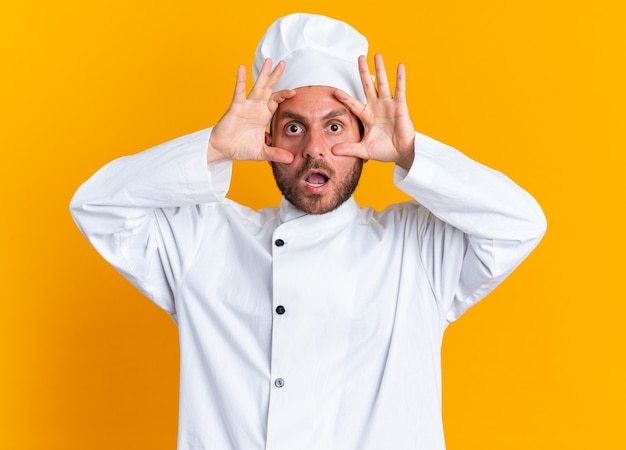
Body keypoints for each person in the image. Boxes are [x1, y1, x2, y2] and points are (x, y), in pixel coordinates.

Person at [70, 12, 546, 450]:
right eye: (294, 128)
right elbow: (95, 205)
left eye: (335, 126)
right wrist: (212, 149)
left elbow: (520, 224)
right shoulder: (204, 241)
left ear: (364, 137)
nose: (316, 148)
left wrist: (411, 153)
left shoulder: (414, 249)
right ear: (267, 138)